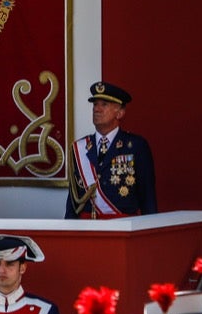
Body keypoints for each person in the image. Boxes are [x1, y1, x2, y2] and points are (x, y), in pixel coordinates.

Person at [66, 81, 157, 218]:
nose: (97, 109)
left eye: (104, 104)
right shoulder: (80, 148)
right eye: (95, 104)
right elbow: (73, 201)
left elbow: (147, 197)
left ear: (119, 113)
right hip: (86, 229)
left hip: (122, 230)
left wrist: (150, 231)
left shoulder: (136, 146)